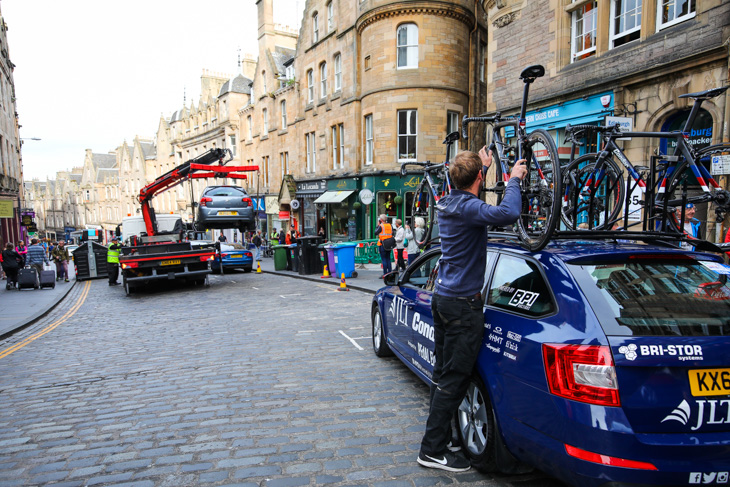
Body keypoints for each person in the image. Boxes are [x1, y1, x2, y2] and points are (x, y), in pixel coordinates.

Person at [417, 148, 525, 472]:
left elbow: (470, 191)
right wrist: (514, 180)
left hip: (444, 299)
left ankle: (446, 438)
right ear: (478, 179)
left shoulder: (449, 202)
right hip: (463, 306)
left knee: (442, 375)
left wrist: (483, 167)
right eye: (481, 175)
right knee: (454, 378)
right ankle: (431, 449)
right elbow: (508, 213)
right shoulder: (469, 208)